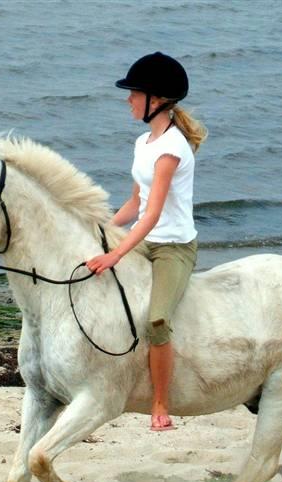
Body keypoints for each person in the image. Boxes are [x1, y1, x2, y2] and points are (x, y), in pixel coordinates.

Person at [86, 52, 207, 431]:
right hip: (142, 238)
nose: (128, 99)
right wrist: (100, 227)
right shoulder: (144, 142)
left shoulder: (172, 148)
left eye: (134, 93)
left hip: (172, 247)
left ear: (156, 100)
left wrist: (115, 252)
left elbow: (152, 215)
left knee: (156, 320)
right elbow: (135, 203)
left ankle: (159, 402)